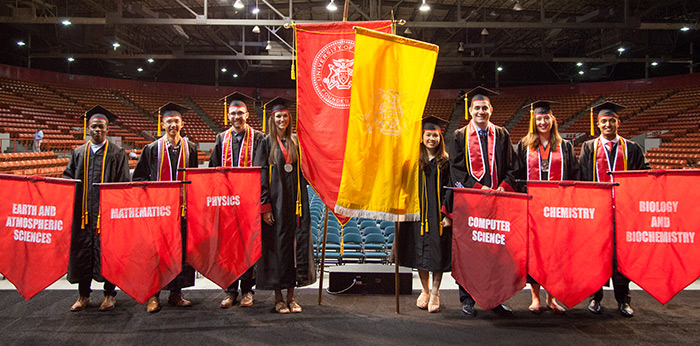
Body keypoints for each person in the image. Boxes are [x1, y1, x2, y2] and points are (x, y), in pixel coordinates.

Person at [446, 87, 516, 317]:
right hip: (470, 202)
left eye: (485, 108)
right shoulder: (459, 136)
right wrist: (479, 188)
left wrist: (501, 188)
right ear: (470, 110)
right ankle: (467, 299)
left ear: (491, 110)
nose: (481, 111)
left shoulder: (503, 135)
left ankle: (495, 298)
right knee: (469, 251)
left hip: (498, 202)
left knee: (495, 252)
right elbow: (455, 170)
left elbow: (512, 168)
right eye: (477, 108)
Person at [579, 101, 649, 317]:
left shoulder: (632, 148)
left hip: (623, 213)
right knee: (596, 257)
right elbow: (582, 177)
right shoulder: (589, 147)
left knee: (621, 259)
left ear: (618, 122)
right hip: (597, 212)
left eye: (611, 121)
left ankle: (623, 300)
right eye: (603, 121)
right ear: (598, 124)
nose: (608, 124)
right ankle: (595, 298)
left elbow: (643, 175)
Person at [513, 101, 580, 315]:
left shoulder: (565, 146)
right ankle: (535, 297)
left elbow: (574, 175)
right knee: (535, 254)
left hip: (557, 210)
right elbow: (517, 174)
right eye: (539, 119)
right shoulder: (524, 145)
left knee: (556, 254)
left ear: (553, 120)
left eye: (546, 118)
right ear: (534, 121)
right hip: (532, 209)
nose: (542, 122)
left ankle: (552, 298)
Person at [63, 106, 130, 312]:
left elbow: (123, 183)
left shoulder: (117, 153)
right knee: (83, 252)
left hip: (106, 215)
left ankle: (110, 294)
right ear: (88, 128)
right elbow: (68, 178)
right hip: (83, 214)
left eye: (101, 126)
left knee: (108, 253)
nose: (97, 130)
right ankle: (84, 295)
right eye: (94, 127)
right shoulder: (78, 153)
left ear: (107, 129)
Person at [132, 102, 197, 313]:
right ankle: (154, 295)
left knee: (180, 253)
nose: (173, 125)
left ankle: (176, 293)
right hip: (159, 212)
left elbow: (196, 179)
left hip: (183, 210)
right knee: (156, 254)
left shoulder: (192, 149)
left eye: (176, 121)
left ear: (182, 123)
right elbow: (139, 178)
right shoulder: (151, 149)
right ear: (162, 124)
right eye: (169, 121)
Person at [254, 98, 315, 314]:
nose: (282, 119)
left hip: (296, 204)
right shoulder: (265, 142)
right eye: (278, 116)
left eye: (285, 116)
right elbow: (260, 175)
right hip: (276, 205)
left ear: (289, 118)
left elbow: (307, 171)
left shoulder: (296, 142)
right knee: (277, 250)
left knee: (294, 248)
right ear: (273, 118)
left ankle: (292, 296)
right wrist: (265, 206)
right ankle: (278, 297)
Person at [209, 92, 266, 309]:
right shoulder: (220, 138)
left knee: (248, 248)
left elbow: (262, 171)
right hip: (226, 203)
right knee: (228, 248)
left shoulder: (259, 138)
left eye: (240, 113)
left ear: (247, 114)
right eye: (233, 113)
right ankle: (230, 291)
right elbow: (214, 170)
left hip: (249, 203)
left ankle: (248, 291)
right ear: (228, 115)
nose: (236, 117)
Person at [398, 116, 452, 313]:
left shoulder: (446, 161)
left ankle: (436, 292)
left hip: (437, 216)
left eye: (435, 135)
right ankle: (425, 290)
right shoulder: (412, 161)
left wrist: (447, 214)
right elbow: (403, 185)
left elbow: (450, 189)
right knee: (419, 253)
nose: (431, 139)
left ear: (440, 137)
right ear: (421, 137)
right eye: (428, 135)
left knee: (437, 254)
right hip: (417, 215)